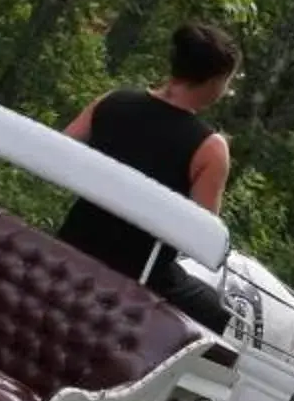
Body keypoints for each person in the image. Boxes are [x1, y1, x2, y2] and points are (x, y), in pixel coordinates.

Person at [56, 20, 239, 328]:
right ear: (214, 81)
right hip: (139, 270)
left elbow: (57, 151)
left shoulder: (112, 101)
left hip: (74, 239)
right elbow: (200, 236)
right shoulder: (210, 148)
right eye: (227, 81)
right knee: (217, 314)